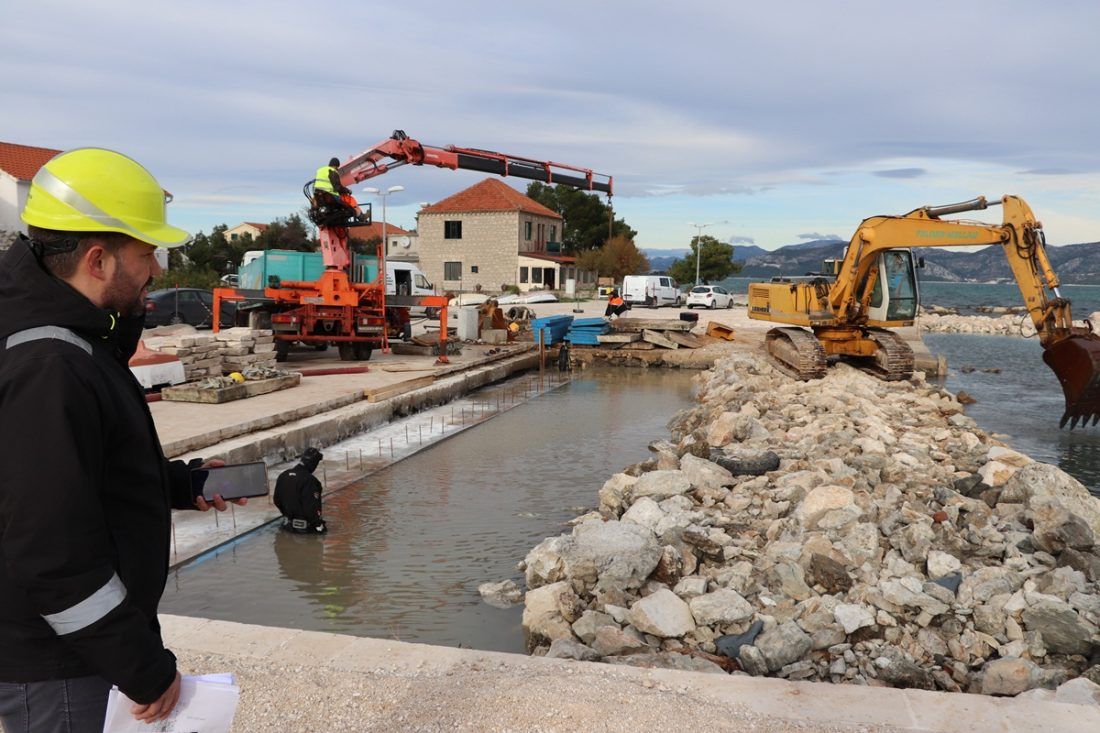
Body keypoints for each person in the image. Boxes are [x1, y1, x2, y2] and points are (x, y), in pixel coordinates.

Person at [0, 148, 245, 732]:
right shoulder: (50, 365)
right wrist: (142, 668)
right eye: (146, 253)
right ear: (98, 259)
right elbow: (53, 555)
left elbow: (78, 472)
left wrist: (178, 484)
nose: (157, 269)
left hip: (72, 651)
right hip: (61, 665)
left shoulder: (72, 341)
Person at [273, 448, 327, 534]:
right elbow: (311, 507)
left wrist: (287, 514)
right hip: (306, 531)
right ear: (313, 463)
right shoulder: (310, 481)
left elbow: (277, 500)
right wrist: (319, 526)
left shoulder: (283, 475)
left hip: (287, 527)